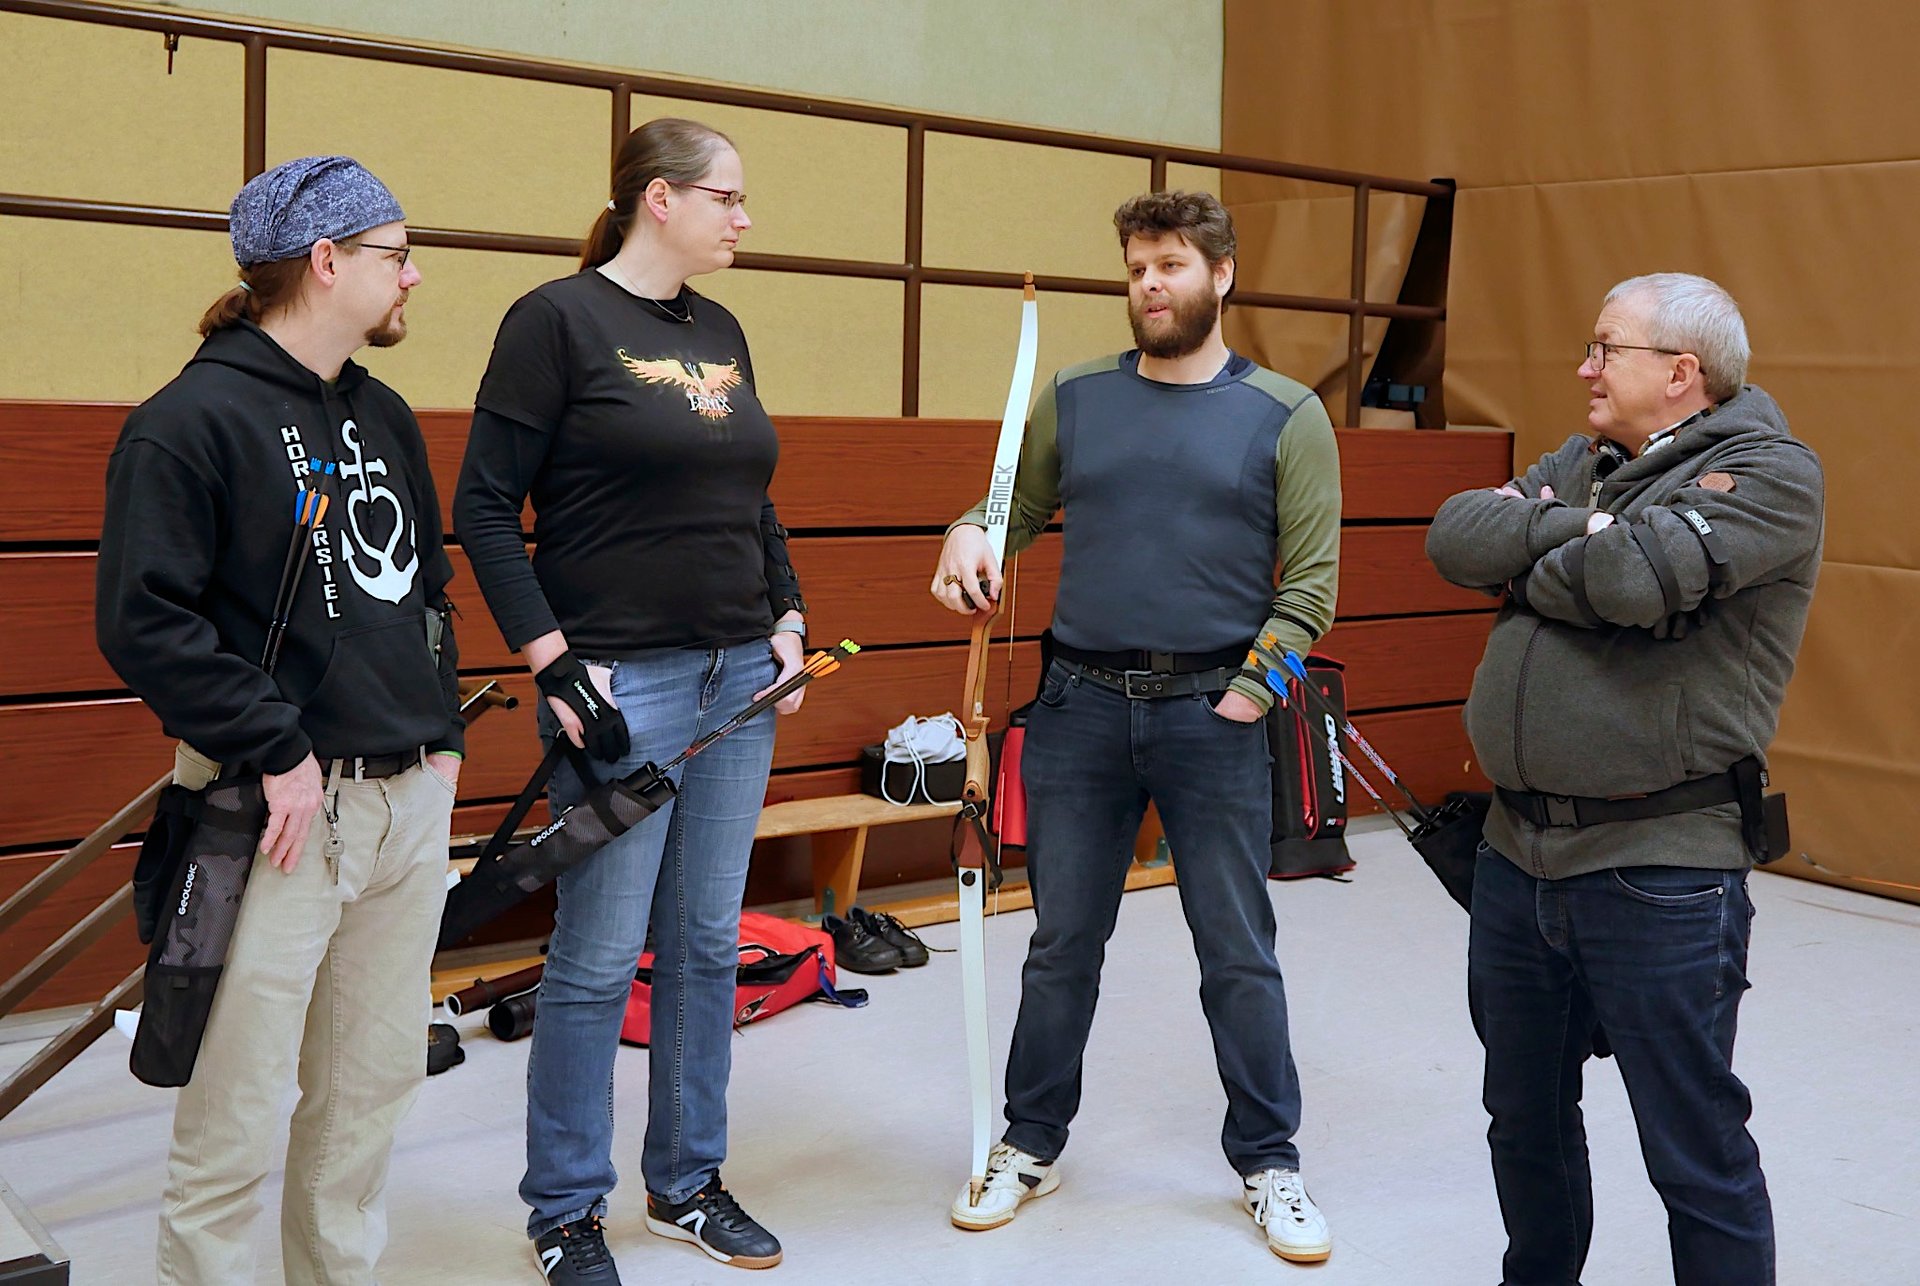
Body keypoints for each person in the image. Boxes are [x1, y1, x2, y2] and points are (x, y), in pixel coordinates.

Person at [930, 190, 1342, 1264]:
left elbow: (1313, 588)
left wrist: (1248, 695)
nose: (1150, 286)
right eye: (1136, 269)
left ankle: (1270, 1162)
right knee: (1062, 944)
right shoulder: (1075, 396)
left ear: (1222, 274)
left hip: (1215, 713)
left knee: (1236, 949)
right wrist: (969, 533)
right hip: (1078, 711)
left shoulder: (1287, 414)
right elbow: (1010, 511)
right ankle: (1030, 1141)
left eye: (1171, 266)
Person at [96, 155, 463, 1285]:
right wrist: (279, 747)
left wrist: (443, 740)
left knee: (368, 1096)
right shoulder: (188, 422)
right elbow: (143, 621)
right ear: (327, 261)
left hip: (407, 803)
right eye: (397, 254)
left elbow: (428, 590)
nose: (414, 276)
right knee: (235, 1111)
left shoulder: (385, 413)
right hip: (275, 812)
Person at [453, 117, 806, 1283]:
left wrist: (788, 617)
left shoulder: (723, 328)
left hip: (738, 674)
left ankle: (687, 1182)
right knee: (599, 957)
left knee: (705, 940)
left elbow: (752, 499)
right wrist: (554, 661)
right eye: (727, 198)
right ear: (660, 198)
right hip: (620, 682)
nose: (744, 217)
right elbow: (484, 506)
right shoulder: (553, 320)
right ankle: (565, 1210)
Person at [1425, 273, 1824, 1286]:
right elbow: (1454, 536)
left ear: (1681, 372)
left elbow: (1633, 580)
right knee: (1523, 1118)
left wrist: (1539, 551)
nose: (1585, 368)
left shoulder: (1771, 473)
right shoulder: (1586, 462)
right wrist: (1587, 528)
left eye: (1606, 349)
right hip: (1517, 856)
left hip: (1662, 868)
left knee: (1691, 1144)